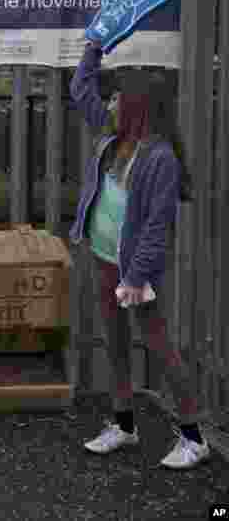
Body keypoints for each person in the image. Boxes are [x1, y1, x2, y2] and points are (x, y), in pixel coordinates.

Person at [70, 40, 210, 469]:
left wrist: (137, 277)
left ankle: (193, 437)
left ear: (138, 106)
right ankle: (124, 424)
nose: (109, 102)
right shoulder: (112, 140)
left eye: (118, 97)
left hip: (136, 271)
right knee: (115, 343)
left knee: (158, 344)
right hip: (103, 256)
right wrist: (93, 47)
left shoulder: (161, 159)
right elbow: (80, 90)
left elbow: (156, 226)